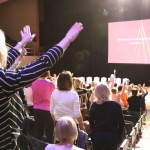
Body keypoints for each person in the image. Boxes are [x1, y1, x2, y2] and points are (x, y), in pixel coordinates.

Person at [0, 22, 83, 149]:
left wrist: (22, 43)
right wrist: (67, 39)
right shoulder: (3, 81)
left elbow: (7, 60)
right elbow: (42, 63)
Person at [89, 83, 124, 150]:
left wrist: (94, 130)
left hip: (97, 136)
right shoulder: (116, 105)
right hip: (112, 136)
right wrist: (119, 134)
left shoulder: (94, 105)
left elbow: (91, 122)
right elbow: (121, 123)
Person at [31, 70, 55, 143]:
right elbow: (54, 97)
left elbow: (32, 96)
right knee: (49, 133)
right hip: (47, 110)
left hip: (36, 109)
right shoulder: (51, 84)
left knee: (38, 131)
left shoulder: (33, 83)